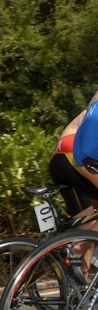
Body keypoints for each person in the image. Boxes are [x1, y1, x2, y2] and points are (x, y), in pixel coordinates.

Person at [49, 88, 98, 220]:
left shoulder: (91, 108)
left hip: (60, 159)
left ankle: (64, 234)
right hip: (73, 155)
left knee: (84, 219)